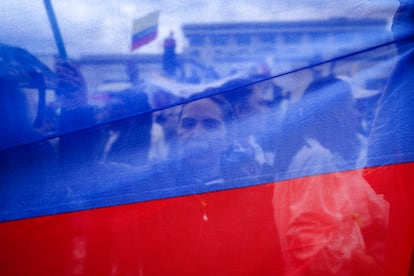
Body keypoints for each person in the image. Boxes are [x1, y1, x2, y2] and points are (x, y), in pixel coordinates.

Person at [273, 76, 389, 275]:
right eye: (353, 106)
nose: (359, 114)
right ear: (338, 112)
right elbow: (310, 243)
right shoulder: (317, 159)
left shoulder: (309, 155)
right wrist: (366, 264)